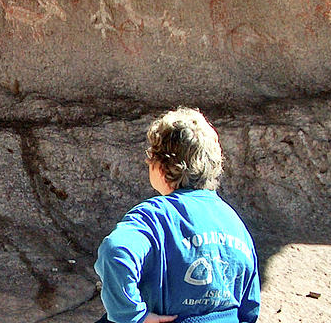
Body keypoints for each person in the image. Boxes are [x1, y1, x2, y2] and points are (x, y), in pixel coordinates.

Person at [94, 107, 260, 323]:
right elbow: (250, 308)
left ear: (161, 165)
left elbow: (116, 252)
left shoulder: (153, 217)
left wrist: (133, 316)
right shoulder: (234, 222)